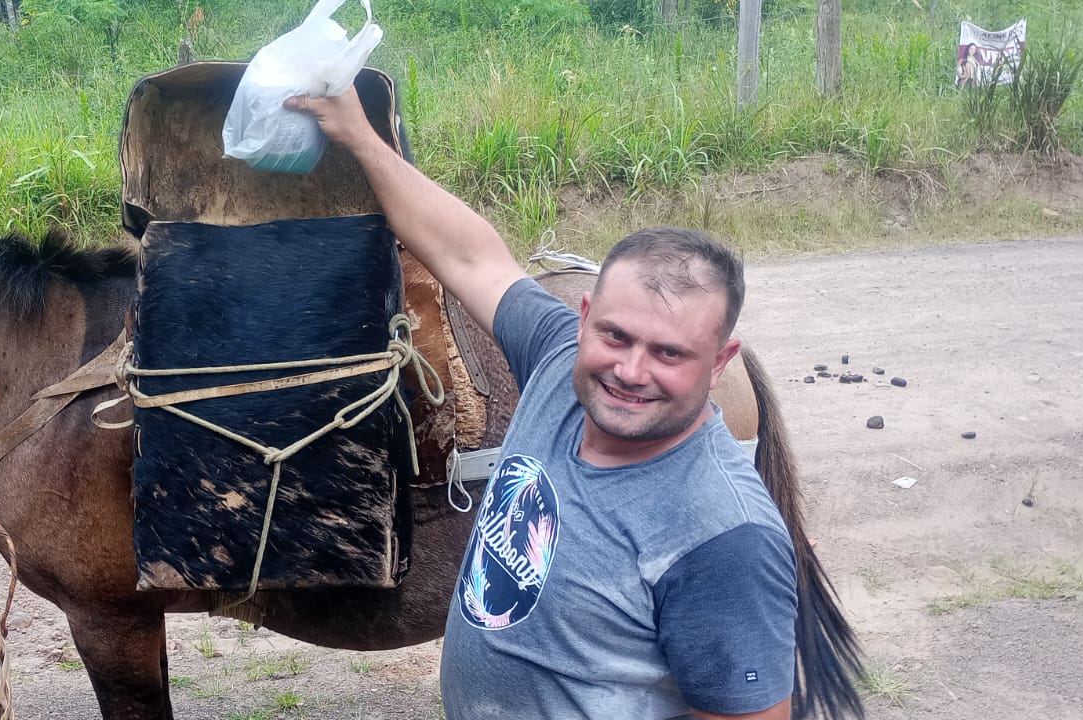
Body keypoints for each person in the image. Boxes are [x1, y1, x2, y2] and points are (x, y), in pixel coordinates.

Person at [286, 89, 798, 720]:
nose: (629, 372)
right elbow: (471, 255)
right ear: (584, 319)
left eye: (669, 354)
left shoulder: (723, 535)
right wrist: (363, 139)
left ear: (720, 364)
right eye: (615, 336)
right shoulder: (560, 363)